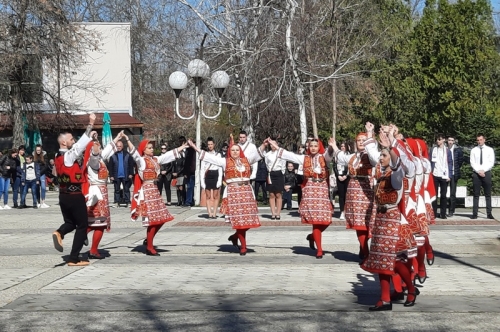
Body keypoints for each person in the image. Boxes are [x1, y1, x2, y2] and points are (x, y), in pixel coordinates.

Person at [361, 125, 419, 311]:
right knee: (380, 260)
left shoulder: (396, 174)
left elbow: (397, 167)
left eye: (384, 156)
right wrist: (371, 135)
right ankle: (386, 297)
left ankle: (409, 288)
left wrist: (392, 147)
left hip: (392, 218)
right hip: (380, 218)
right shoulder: (380, 172)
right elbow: (372, 154)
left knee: (392, 260)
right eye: (381, 156)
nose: (381, 158)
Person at [188, 135, 264, 256]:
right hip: (234, 192)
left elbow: (258, 154)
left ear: (240, 151)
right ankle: (243, 246)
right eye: (233, 150)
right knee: (239, 220)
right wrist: (194, 147)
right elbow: (208, 157)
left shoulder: (246, 160)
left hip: (246, 191)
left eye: (237, 150)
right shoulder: (225, 161)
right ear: (229, 151)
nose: (235, 152)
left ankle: (235, 237)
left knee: (249, 219)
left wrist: (265, 144)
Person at [269, 137, 334, 259]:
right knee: (316, 221)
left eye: (315, 145)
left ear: (319, 147)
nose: (313, 148)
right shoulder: (304, 158)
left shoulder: (323, 157)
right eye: (311, 146)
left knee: (326, 220)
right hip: (310, 189)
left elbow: (330, 153)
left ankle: (312, 237)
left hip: (322, 189)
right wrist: (276, 147)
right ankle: (319, 249)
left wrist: (331, 145)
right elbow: (289, 155)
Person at [126, 136, 188, 256]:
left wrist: (181, 147)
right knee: (153, 220)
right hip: (147, 191)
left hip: (154, 190)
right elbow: (134, 153)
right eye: (149, 148)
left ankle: (148, 240)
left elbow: (168, 156)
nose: (152, 149)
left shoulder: (155, 159)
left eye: (152, 148)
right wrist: (127, 140)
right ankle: (149, 246)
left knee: (161, 218)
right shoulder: (142, 160)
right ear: (143, 150)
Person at [51, 112, 97, 266]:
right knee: (83, 225)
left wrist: (91, 136)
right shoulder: (67, 156)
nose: (73, 141)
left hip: (63, 195)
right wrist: (90, 124)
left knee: (70, 222)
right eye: (70, 139)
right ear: (63, 142)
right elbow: (80, 146)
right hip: (74, 195)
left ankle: (59, 232)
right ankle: (73, 258)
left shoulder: (57, 156)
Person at [332, 124, 378, 261]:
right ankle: (365, 250)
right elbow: (341, 157)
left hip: (367, 189)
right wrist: (334, 146)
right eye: (359, 140)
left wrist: (370, 135)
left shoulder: (371, 156)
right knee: (359, 221)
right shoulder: (353, 156)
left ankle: (364, 247)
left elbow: (375, 158)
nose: (361, 142)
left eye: (364, 140)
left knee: (368, 220)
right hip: (353, 189)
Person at [83, 131, 124, 259]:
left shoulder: (100, 158)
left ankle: (84, 236)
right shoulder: (92, 161)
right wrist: (93, 144)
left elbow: (107, 150)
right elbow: (95, 157)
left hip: (102, 192)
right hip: (96, 192)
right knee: (99, 223)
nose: (100, 149)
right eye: (97, 147)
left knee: (95, 223)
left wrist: (117, 137)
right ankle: (93, 249)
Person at [470, 134, 495, 219]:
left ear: (484, 140)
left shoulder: (489, 150)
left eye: (481, 140)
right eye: (478, 140)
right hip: (476, 173)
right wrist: (478, 171)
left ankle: (489, 213)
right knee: (476, 194)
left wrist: (483, 170)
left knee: (487, 194)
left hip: (486, 173)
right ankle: (474, 213)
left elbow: (491, 162)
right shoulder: (473, 150)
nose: (479, 141)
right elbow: (472, 162)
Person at [262, 138, 286, 219]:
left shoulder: (280, 153)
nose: (273, 146)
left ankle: (278, 213)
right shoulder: (267, 155)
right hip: (271, 174)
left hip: (279, 173)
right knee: (271, 194)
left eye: (274, 144)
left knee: (278, 194)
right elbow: (267, 163)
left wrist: (282, 172)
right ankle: (273, 213)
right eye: (271, 144)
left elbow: (283, 163)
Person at [430, 134, 452, 219]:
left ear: (443, 140)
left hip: (444, 175)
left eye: (439, 139)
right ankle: (434, 213)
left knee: (443, 195)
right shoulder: (433, 149)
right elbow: (430, 161)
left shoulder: (447, 151)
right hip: (435, 174)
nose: (437, 141)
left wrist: (449, 175)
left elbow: (450, 163)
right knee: (434, 195)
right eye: (437, 139)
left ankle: (443, 213)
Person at [108, 139, 135, 208]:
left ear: (122, 146)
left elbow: (131, 165)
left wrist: (131, 173)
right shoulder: (113, 156)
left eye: (120, 146)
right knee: (116, 190)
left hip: (126, 175)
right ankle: (117, 202)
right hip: (116, 176)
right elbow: (110, 167)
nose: (118, 147)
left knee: (126, 189)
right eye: (117, 146)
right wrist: (111, 175)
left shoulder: (127, 155)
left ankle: (128, 202)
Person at [201, 137, 223, 219]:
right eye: (208, 144)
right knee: (208, 196)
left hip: (215, 173)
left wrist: (219, 179)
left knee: (216, 195)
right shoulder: (204, 154)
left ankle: (214, 213)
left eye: (211, 144)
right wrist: (202, 180)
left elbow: (220, 167)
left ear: (214, 144)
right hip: (208, 174)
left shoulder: (218, 155)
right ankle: (209, 213)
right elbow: (202, 168)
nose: (210, 146)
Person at [331, 141, 351, 220]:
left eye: (344, 146)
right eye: (341, 146)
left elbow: (350, 166)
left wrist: (346, 175)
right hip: (339, 177)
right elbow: (334, 166)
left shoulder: (349, 155)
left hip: (347, 177)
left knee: (347, 195)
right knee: (341, 195)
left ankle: (347, 211)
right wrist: (338, 175)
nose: (343, 147)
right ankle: (342, 211)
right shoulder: (337, 155)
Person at [446, 136, 464, 217]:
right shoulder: (445, 149)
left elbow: (460, 161)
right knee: (444, 192)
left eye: (452, 140)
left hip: (454, 174)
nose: (450, 142)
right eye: (449, 140)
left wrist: (456, 169)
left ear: (454, 141)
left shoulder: (457, 150)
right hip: (445, 174)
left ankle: (451, 210)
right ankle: (443, 210)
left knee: (452, 193)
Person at [173, 136, 186, 206]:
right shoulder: (176, 158)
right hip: (176, 174)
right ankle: (179, 201)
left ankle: (183, 200)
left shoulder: (183, 157)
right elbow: (173, 164)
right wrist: (173, 172)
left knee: (181, 187)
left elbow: (183, 166)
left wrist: (178, 173)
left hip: (181, 174)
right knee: (177, 188)